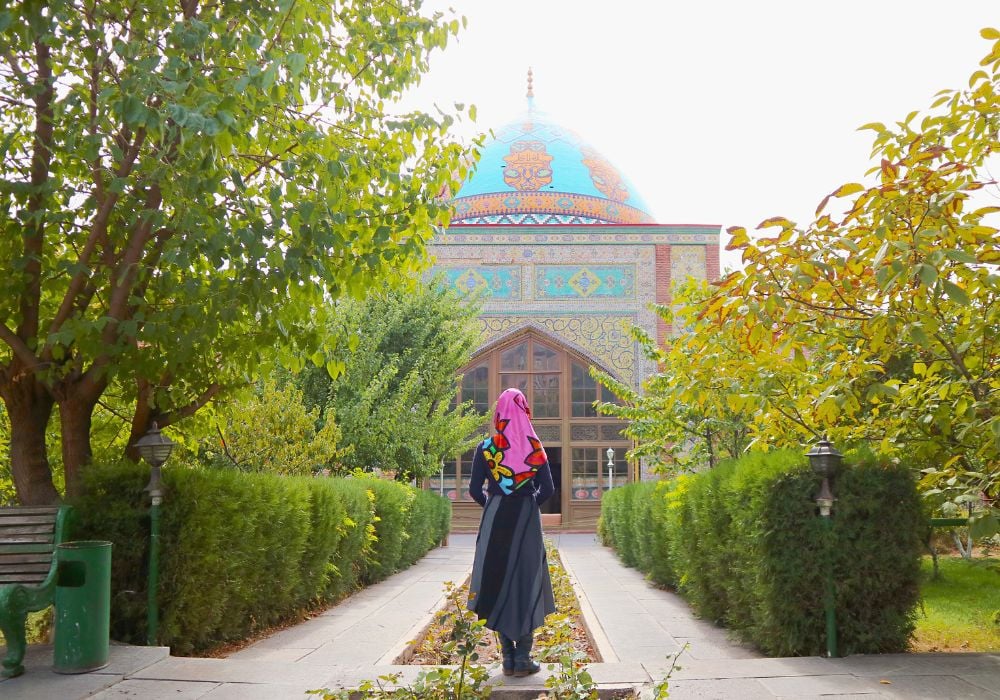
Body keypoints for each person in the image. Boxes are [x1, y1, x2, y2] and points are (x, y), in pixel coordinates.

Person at [467, 387, 556, 677]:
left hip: (496, 517)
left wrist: (493, 504)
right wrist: (528, 505)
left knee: (495, 578)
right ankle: (522, 658)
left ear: (499, 413)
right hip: (526, 519)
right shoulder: (534, 447)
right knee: (528, 578)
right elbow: (548, 490)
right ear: (524, 410)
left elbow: (473, 490)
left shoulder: (486, 448)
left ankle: (507, 659)